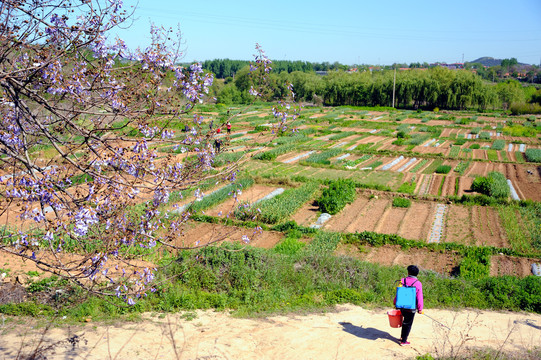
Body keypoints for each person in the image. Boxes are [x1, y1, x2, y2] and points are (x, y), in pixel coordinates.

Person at [394, 265, 424, 346]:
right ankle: (404, 341)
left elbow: (398, 292)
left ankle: (402, 337)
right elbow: (419, 297)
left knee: (404, 322)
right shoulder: (418, 283)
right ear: (417, 274)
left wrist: (395, 302)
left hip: (401, 305)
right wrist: (420, 308)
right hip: (411, 307)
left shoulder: (402, 280)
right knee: (407, 323)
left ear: (408, 272)